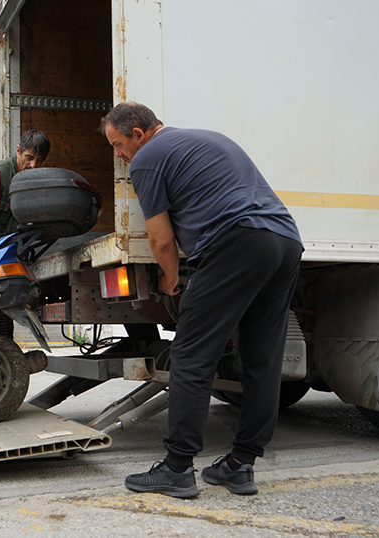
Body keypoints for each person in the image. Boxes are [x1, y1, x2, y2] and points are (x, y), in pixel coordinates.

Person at [101, 102, 303, 498]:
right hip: (284, 242)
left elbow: (161, 239)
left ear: (139, 134)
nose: (119, 155)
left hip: (236, 242)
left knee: (192, 356)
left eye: (118, 144)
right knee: (262, 359)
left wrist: (172, 279)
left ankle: (177, 469)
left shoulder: (148, 159)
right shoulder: (207, 138)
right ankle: (241, 465)